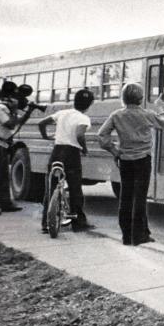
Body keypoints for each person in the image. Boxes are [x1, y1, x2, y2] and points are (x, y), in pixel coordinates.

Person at [97, 83, 164, 246]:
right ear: (141, 98)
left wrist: (115, 152)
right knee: (140, 197)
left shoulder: (116, 115)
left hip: (125, 160)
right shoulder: (147, 114)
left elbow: (102, 135)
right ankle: (139, 236)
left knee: (126, 197)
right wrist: (160, 107)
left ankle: (126, 236)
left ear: (123, 98)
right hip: (143, 159)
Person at [38, 89, 96, 233]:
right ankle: (78, 223)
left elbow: (41, 123)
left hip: (57, 152)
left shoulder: (62, 113)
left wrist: (46, 136)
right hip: (72, 154)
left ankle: (46, 223)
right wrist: (84, 149)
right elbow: (80, 135)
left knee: (51, 187)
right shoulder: (83, 118)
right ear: (89, 105)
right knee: (75, 188)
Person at [0, 82, 33, 215]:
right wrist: (14, 110)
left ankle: (5, 202)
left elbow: (17, 123)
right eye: (13, 97)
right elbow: (10, 124)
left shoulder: (4, 108)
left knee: (3, 176)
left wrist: (29, 112)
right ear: (7, 97)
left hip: (1, 144)